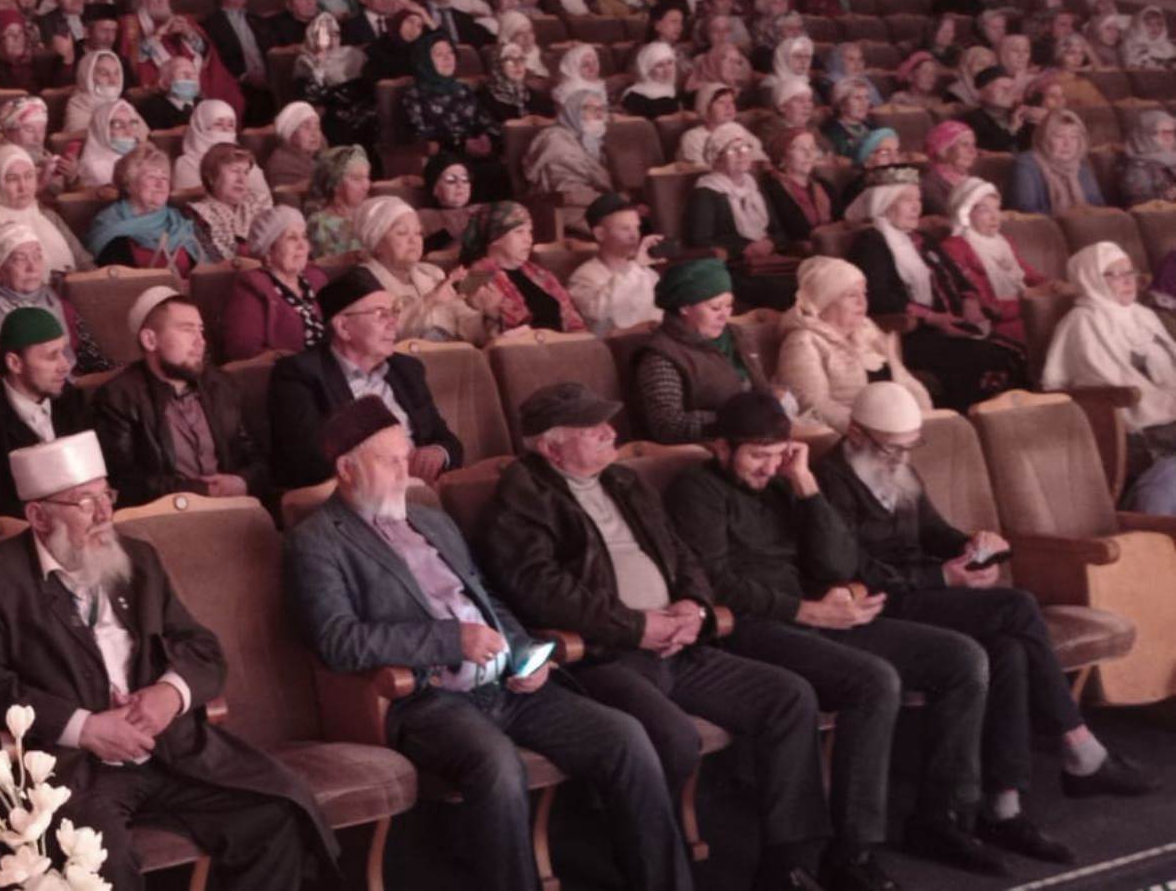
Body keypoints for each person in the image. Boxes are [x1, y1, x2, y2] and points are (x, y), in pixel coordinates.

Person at [283, 396, 692, 891]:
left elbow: (487, 599)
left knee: (625, 736)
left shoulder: (431, 520)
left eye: (405, 457)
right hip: (428, 698)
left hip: (506, 685)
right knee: (497, 766)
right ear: (347, 469)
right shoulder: (317, 541)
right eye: (389, 462)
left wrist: (524, 655)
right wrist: (450, 640)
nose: (404, 472)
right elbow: (337, 640)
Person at [477, 381, 829, 890]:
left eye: (607, 423)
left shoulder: (624, 481)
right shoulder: (520, 499)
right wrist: (637, 626)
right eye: (591, 428)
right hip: (604, 656)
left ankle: (787, 866)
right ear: (552, 448)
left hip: (678, 644)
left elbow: (682, 553)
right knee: (673, 738)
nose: (610, 432)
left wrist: (694, 605)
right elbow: (542, 593)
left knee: (789, 697)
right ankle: (650, 868)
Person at [0, 426, 339, 888]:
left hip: (168, 748)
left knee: (277, 810)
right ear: (38, 516)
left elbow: (202, 648)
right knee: (97, 861)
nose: (105, 514)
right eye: (85, 502)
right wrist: (86, 727)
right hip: (75, 769)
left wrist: (169, 694)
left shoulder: (137, 559)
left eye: (106, 496)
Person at [665, 391, 999, 884]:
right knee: (873, 680)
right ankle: (852, 853)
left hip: (817, 616)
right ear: (721, 448)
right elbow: (716, 583)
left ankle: (940, 818)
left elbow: (839, 562)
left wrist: (805, 486)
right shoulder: (696, 490)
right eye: (756, 455)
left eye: (778, 453)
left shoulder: (785, 482)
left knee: (962, 659)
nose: (768, 466)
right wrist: (806, 609)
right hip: (752, 626)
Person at [817, 381, 1158, 858]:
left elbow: (933, 531)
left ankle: (1002, 806)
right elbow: (851, 569)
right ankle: (1079, 747)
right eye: (892, 447)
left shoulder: (894, 463)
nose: (901, 458)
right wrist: (942, 577)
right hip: (878, 605)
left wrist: (975, 546)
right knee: (1016, 607)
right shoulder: (829, 481)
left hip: (923, 590)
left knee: (1008, 650)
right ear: (856, 433)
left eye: (910, 446)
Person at [267, 266, 463, 488]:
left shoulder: (407, 370)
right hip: (356, 494)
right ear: (343, 327)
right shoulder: (299, 375)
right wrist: (391, 467)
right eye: (380, 314)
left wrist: (439, 452)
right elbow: (308, 462)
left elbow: (447, 439)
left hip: (423, 489)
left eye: (394, 312)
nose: (393, 322)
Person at [847, 171, 1025, 409]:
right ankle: (970, 419)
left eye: (918, 199)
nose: (916, 207)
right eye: (907, 200)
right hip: (912, 333)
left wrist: (970, 301)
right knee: (988, 359)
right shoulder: (871, 242)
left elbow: (958, 278)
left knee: (1014, 352)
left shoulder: (922, 238)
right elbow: (879, 298)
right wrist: (934, 318)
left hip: (951, 323)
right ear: (885, 203)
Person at [94, 288, 268, 505]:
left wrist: (243, 482)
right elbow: (122, 483)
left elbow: (256, 458)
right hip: (163, 517)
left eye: (201, 331)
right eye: (187, 330)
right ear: (150, 340)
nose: (200, 341)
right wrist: (200, 492)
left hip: (234, 508)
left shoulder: (222, 385)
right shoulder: (118, 397)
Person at [1044, 242, 1176, 485]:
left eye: (1129, 272)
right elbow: (1104, 381)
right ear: (1091, 278)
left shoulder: (1143, 314)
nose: (1127, 280)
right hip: (1140, 426)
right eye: (1114, 274)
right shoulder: (1082, 322)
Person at [0, 307, 93, 519]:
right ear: (15, 363)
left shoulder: (73, 400)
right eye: (52, 356)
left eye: (63, 352)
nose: (65, 366)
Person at [632, 259, 781, 444]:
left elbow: (762, 390)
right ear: (684, 307)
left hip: (759, 438)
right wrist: (738, 419)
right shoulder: (661, 356)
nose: (725, 315)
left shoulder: (737, 336)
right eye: (715, 308)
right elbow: (667, 426)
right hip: (707, 447)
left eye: (729, 305)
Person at [776, 256, 932, 433]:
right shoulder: (803, 342)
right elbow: (812, 405)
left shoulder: (867, 331)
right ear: (824, 300)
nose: (862, 302)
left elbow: (906, 381)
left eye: (864, 293)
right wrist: (871, 431)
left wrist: (927, 418)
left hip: (900, 429)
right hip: (854, 435)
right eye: (852, 295)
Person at [0, 223, 110, 374]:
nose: (33, 268)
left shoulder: (64, 308)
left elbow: (96, 364)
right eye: (20, 259)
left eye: (37, 256)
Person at [685, 123, 796, 310]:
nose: (742, 154)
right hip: (733, 267)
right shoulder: (706, 192)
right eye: (732, 150)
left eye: (745, 148)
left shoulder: (753, 186)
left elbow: (778, 231)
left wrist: (770, 243)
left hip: (768, 262)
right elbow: (699, 241)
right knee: (783, 290)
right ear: (717, 158)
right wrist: (743, 249)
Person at [358, 194, 496, 343]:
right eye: (402, 233)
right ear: (377, 243)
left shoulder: (432, 274)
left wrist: (486, 316)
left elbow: (464, 323)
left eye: (418, 233)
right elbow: (385, 333)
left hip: (451, 354)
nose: (414, 240)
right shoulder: (363, 281)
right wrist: (431, 300)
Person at [0, 144, 92, 277]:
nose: (23, 186)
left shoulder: (48, 215)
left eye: (28, 176)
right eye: (12, 179)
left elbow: (84, 263)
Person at [938, 178, 1046, 345]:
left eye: (997, 208)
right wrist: (1032, 301)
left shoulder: (1004, 242)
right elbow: (987, 307)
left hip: (1027, 311)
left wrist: (1056, 288)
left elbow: (1030, 276)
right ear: (964, 213)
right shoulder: (955, 247)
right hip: (997, 325)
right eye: (985, 210)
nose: (995, 217)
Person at [404, 35, 508, 199]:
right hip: (445, 157)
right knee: (468, 172)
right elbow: (419, 136)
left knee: (500, 169)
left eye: (450, 52)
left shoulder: (462, 89)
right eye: (439, 54)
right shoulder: (415, 94)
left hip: (475, 153)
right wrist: (461, 144)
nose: (447, 58)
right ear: (425, 61)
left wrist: (485, 137)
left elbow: (484, 120)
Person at [462, 200, 587, 335]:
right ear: (495, 238)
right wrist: (493, 315)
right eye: (519, 232)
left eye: (529, 232)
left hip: (560, 345)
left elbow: (573, 320)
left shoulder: (540, 274)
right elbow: (471, 331)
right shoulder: (473, 277)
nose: (528, 239)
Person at [223, 205, 329, 361]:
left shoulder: (316, 278)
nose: (302, 245)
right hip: (288, 371)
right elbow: (244, 349)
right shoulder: (252, 285)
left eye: (304, 237)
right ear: (268, 251)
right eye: (292, 238)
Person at [86, 143, 206, 274]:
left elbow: (203, 272)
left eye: (164, 178)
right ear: (129, 185)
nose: (160, 184)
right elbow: (115, 281)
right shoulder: (108, 225)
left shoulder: (179, 222)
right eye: (151, 177)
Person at [568, 194, 662, 336]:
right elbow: (601, 313)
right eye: (625, 229)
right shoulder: (582, 278)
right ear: (600, 234)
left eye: (636, 228)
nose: (634, 236)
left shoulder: (648, 274)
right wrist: (637, 267)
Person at [524, 88, 614, 232]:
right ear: (573, 111)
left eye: (602, 109)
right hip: (566, 209)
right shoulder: (556, 139)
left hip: (598, 205)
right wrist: (614, 202)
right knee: (616, 230)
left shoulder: (594, 143)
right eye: (589, 108)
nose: (598, 114)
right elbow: (567, 190)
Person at [293, 13, 377, 152]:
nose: (332, 41)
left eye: (335, 35)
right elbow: (311, 97)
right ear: (314, 37)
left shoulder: (353, 54)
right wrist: (319, 67)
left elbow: (368, 86)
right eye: (325, 35)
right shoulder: (305, 61)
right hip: (331, 112)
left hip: (360, 108)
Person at [1009, 109, 1105, 214]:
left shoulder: (1082, 169)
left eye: (1074, 137)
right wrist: (1071, 216)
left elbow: (1100, 210)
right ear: (1044, 138)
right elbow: (1025, 212)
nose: (1067, 144)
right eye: (1059, 136)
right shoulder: (1026, 165)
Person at [188, 143, 271, 261]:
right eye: (234, 171)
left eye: (246, 172)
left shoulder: (260, 202)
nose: (242, 179)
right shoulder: (198, 214)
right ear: (211, 177)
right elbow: (213, 262)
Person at [760, 126, 838, 244]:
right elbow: (787, 232)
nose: (809, 154)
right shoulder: (772, 188)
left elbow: (842, 222)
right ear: (782, 155)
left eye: (812, 148)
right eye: (801, 149)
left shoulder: (825, 186)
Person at [304, 144, 371, 257]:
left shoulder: (371, 214)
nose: (366, 185)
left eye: (367, 177)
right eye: (357, 179)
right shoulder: (320, 224)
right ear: (335, 184)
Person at [77, 98, 149, 190]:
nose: (129, 132)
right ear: (102, 130)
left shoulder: (144, 154)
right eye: (118, 125)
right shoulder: (95, 168)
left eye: (132, 124)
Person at [962, 68, 1038, 155]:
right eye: (1003, 88)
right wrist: (1012, 130)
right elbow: (992, 150)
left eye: (1012, 89)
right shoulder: (970, 121)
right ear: (981, 93)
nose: (1010, 93)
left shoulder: (1021, 116)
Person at [920, 121, 978, 216]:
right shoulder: (930, 185)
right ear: (943, 149)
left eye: (973, 145)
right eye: (965, 145)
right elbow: (954, 217)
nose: (973, 151)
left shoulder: (973, 181)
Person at [1121, 109, 1176, 206]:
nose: (1169, 138)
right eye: (1163, 133)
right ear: (1144, 136)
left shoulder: (1172, 159)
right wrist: (1169, 195)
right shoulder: (1137, 170)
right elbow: (1142, 206)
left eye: (1171, 132)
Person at [65, 48, 125, 134]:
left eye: (116, 73)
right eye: (104, 73)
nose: (113, 81)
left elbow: (141, 134)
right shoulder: (77, 104)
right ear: (88, 76)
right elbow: (78, 137)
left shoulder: (121, 104)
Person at [266, 100, 324, 188]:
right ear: (290, 133)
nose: (314, 133)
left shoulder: (319, 155)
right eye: (306, 127)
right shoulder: (282, 166)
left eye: (317, 126)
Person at [621, 42, 682, 119]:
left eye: (670, 63)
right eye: (660, 65)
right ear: (648, 69)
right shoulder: (634, 97)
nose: (667, 70)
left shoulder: (675, 91)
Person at [1122, 6, 1176, 70]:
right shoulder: (1134, 45)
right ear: (1140, 25)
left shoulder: (1167, 46)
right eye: (1149, 24)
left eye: (1159, 24)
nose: (1155, 28)